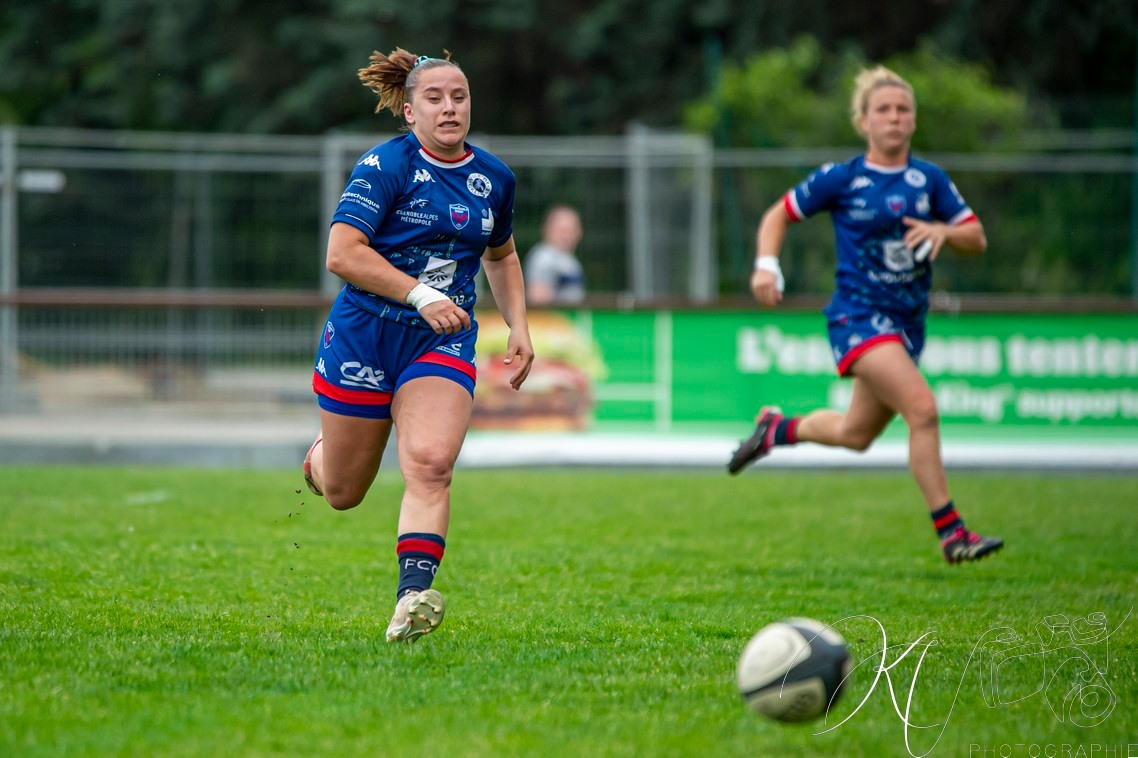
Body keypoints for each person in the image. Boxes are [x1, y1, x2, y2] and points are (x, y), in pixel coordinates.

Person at [302, 48, 534, 643]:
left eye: (459, 97)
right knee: (343, 492)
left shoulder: (495, 178)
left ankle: (412, 598)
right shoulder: (385, 166)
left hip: (442, 342)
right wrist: (418, 295)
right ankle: (319, 457)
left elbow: (501, 255)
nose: (450, 107)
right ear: (409, 111)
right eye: (435, 98)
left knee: (431, 463)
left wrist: (520, 326)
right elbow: (342, 253)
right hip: (365, 333)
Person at [727, 65, 1003, 565]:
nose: (894, 118)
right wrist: (766, 265)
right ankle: (953, 533)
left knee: (856, 435)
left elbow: (977, 237)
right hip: (858, 317)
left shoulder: (931, 180)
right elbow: (777, 216)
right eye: (884, 110)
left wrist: (945, 232)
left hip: (907, 324)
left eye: (903, 110)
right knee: (923, 410)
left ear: (914, 121)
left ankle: (776, 430)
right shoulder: (843, 177)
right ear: (864, 122)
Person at [524, 204, 586, 305]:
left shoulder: (570, 260)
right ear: (547, 230)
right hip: (552, 319)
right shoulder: (543, 258)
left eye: (570, 230)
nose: (566, 236)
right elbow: (538, 299)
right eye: (561, 230)